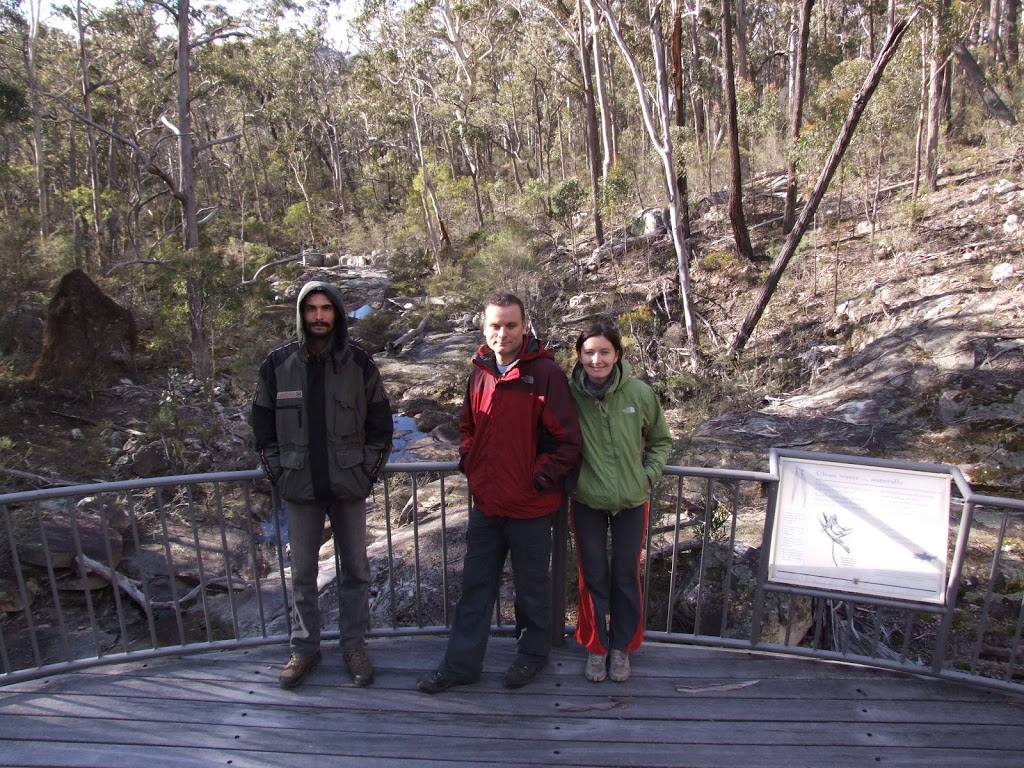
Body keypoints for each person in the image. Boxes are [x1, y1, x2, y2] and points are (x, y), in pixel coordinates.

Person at [416, 293, 581, 693]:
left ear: (524, 327)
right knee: (475, 586)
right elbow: (468, 427)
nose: (502, 333)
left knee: (531, 589)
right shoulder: (481, 371)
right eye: (495, 325)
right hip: (488, 503)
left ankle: (531, 657)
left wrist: (534, 479)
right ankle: (461, 664)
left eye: (510, 325)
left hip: (530, 505)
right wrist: (472, 463)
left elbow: (568, 443)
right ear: (484, 327)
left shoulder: (545, 375)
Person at [251, 281, 393, 690]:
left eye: (325, 309)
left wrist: (365, 473)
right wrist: (280, 473)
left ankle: (354, 647)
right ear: (301, 313)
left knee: (357, 572)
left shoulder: (360, 364)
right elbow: (261, 430)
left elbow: (381, 427)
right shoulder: (277, 365)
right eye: (311, 309)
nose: (318, 316)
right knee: (301, 575)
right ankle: (305, 648)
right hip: (300, 489)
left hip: (348, 486)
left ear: (337, 314)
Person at [568, 322, 671, 683]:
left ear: (617, 354)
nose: (596, 360)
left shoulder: (639, 393)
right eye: (589, 352)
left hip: (632, 499)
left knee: (626, 575)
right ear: (579, 356)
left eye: (604, 352)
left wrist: (648, 475)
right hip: (587, 500)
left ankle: (621, 648)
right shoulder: (569, 394)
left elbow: (660, 440)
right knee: (592, 575)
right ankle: (596, 647)